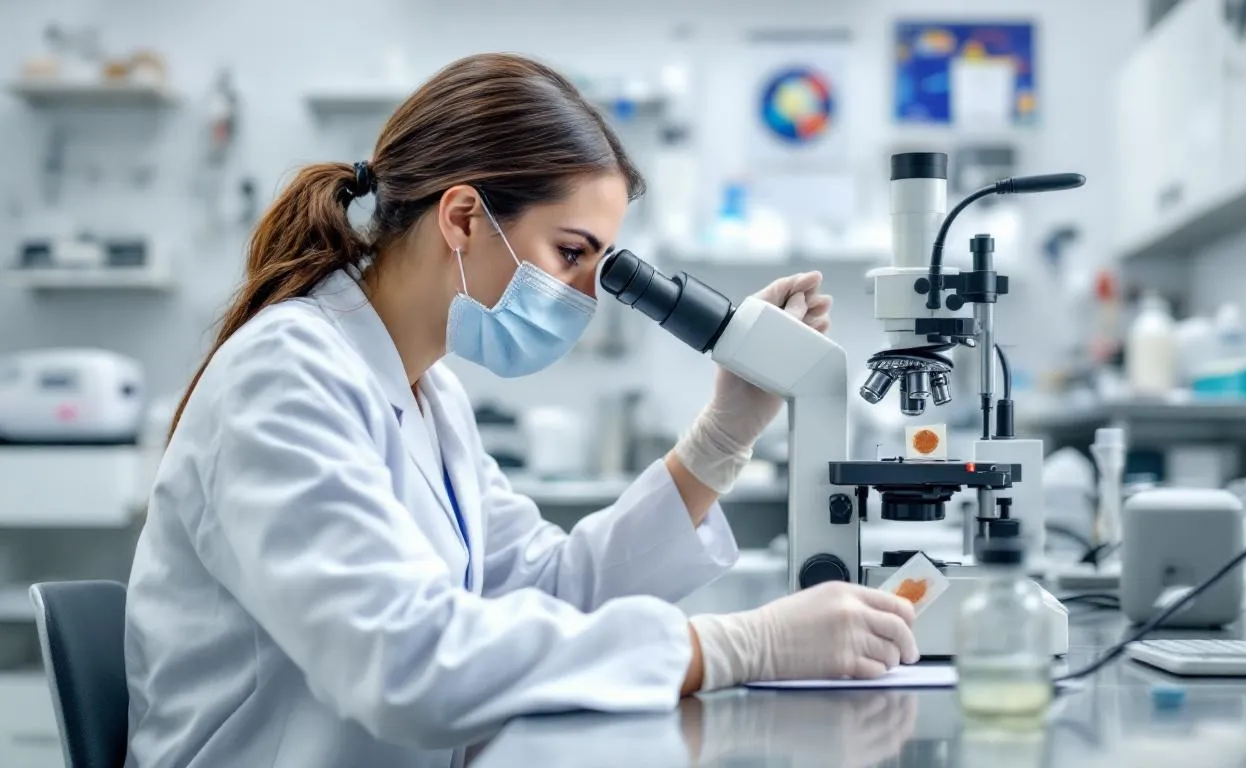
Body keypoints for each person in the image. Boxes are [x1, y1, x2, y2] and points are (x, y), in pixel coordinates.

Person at [123, 53, 919, 767]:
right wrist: (741, 645)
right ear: (464, 218)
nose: (585, 295)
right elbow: (404, 663)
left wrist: (723, 436)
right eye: (570, 253)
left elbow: (551, 587)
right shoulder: (284, 377)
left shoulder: (429, 395)